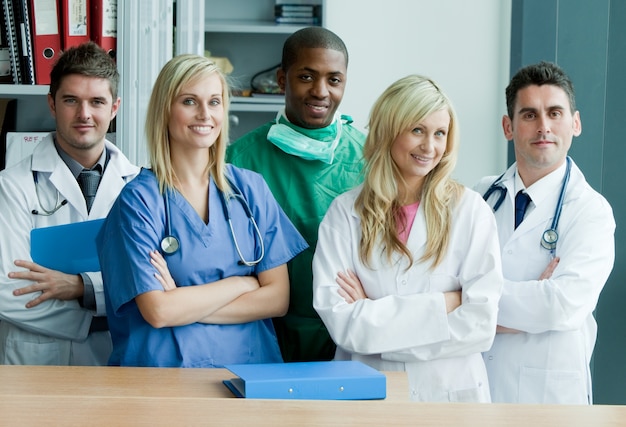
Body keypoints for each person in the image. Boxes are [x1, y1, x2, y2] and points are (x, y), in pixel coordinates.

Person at [96, 54, 308, 368]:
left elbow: (277, 300)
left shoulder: (250, 190)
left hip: (248, 376)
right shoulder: (139, 202)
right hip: (164, 382)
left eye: (214, 102)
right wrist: (243, 284)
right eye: (190, 101)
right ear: (165, 110)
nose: (205, 114)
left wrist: (182, 298)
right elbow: (159, 312)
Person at [312, 75, 503, 402]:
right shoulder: (345, 213)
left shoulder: (470, 211)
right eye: (417, 130)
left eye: (440, 134)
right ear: (389, 130)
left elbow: (480, 326)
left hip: (449, 397)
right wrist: (443, 305)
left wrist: (374, 315)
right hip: (368, 393)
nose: (430, 147)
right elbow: (342, 324)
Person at [476, 61, 615, 404]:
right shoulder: (478, 196)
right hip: (475, 384)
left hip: (548, 396)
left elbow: (561, 306)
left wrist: (469, 303)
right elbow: (439, 282)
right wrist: (532, 296)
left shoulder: (590, 211)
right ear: (508, 126)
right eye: (529, 115)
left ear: (575, 123)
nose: (544, 127)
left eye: (555, 113)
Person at [226, 26, 365, 362]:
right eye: (306, 76)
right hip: (262, 329)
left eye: (334, 80)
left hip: (348, 329)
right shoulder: (240, 159)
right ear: (281, 79)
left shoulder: (369, 156)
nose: (320, 91)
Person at [0, 41, 139, 365]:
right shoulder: (12, 185)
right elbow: (7, 290)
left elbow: (152, 282)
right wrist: (99, 317)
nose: (84, 114)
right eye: (71, 100)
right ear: (52, 104)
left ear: (114, 107)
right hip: (36, 361)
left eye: (97, 102)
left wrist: (81, 286)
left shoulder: (138, 186)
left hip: (117, 361)